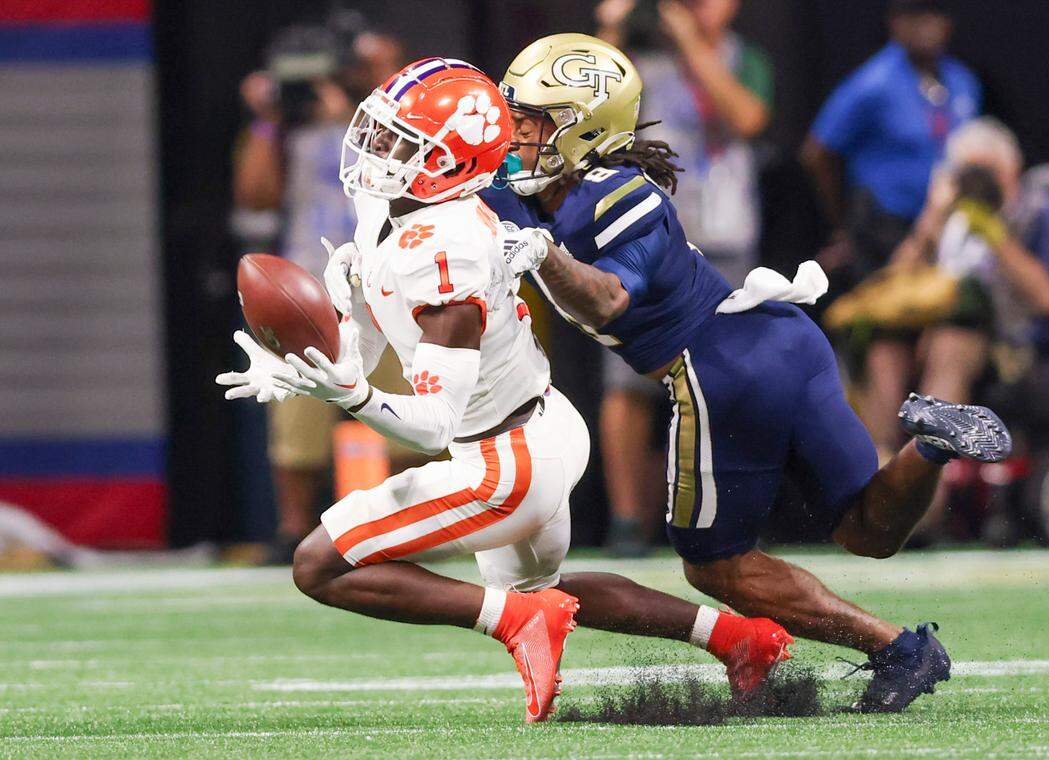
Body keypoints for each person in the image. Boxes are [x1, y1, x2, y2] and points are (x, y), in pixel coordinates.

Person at [219, 60, 791, 723]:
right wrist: (306, 360)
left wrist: (351, 395)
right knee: (546, 589)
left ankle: (519, 622)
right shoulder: (395, 205)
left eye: (403, 142)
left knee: (318, 566)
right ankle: (741, 639)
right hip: (532, 432)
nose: (379, 151)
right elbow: (372, 332)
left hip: (504, 463)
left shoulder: (449, 253)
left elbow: (431, 427)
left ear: (454, 162)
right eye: (381, 133)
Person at [482, 33, 1011, 712]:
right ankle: (931, 444)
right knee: (866, 531)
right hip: (779, 341)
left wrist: (543, 254)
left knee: (713, 563)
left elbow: (609, 295)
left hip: (719, 369)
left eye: (531, 121)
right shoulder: (532, 198)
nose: (515, 133)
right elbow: (459, 206)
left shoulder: (615, 195)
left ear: (581, 129)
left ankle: (896, 648)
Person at [592, 0, 775, 555]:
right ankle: (628, 521)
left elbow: (746, 118)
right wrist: (611, 27)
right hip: (644, 233)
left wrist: (690, 40)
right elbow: (589, 104)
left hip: (723, 239)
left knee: (725, 380)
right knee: (627, 383)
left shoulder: (745, 58)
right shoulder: (637, 60)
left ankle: (725, 517)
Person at [232, 22, 407, 561]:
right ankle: (293, 531)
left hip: (384, 278)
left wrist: (372, 89)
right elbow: (255, 198)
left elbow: (410, 164)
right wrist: (267, 121)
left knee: (403, 414)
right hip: (309, 287)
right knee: (297, 417)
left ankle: (401, 525)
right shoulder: (283, 130)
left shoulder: (386, 117)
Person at [859, 120, 1049, 465]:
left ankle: (927, 473)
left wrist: (995, 234)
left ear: (1012, 170)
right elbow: (886, 288)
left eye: (987, 172)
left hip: (1008, 344)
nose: (978, 183)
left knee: (951, 344)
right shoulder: (951, 218)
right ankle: (878, 465)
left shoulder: (1040, 212)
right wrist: (931, 221)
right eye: (968, 173)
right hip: (932, 329)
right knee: (883, 345)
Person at [800, 0, 980, 285]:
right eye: (915, 16)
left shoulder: (963, 81)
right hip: (886, 227)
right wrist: (842, 221)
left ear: (947, 23)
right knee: (888, 318)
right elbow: (817, 152)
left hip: (945, 226)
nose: (925, 26)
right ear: (895, 23)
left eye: (933, 15)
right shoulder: (873, 83)